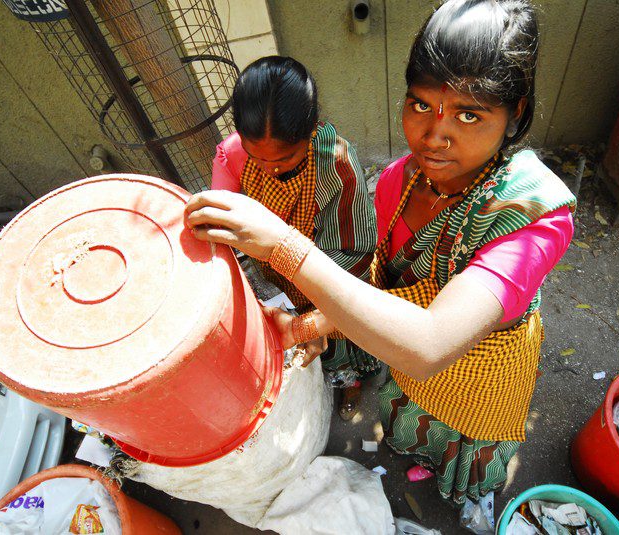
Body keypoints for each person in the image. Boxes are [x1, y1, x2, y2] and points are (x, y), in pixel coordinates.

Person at [187, 0, 575, 507]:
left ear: (516, 111)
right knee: (413, 408)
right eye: (420, 105)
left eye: (469, 114)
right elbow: (388, 287)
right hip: (409, 358)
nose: (435, 135)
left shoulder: (535, 216)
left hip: (480, 365)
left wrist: (283, 244)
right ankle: (419, 453)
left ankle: (457, 484)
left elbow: (431, 341)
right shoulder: (400, 179)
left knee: (464, 430)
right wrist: (314, 325)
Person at [212, 56, 378, 419]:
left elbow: (354, 250)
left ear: (311, 130)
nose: (270, 169)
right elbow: (221, 231)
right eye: (258, 158)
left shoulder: (335, 164)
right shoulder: (231, 156)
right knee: (297, 337)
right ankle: (326, 374)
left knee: (339, 336)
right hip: (276, 277)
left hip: (328, 273)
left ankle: (350, 380)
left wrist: (316, 311)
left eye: (285, 159)